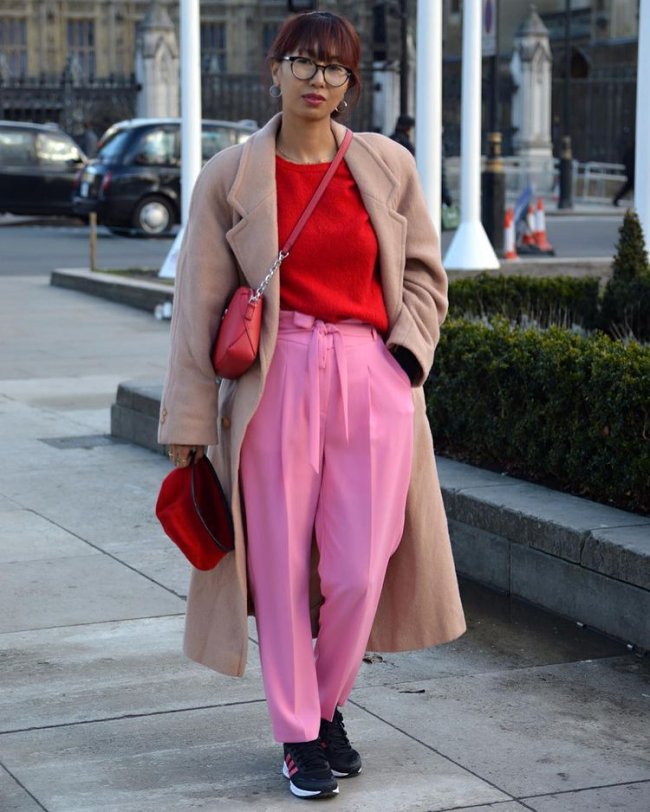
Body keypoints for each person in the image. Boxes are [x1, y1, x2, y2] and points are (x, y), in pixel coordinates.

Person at [159, 10, 465, 802]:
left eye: (333, 69)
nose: (317, 80)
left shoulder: (386, 165)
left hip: (372, 375)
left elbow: (427, 278)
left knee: (362, 566)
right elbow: (197, 307)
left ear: (350, 83)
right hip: (276, 374)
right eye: (302, 62)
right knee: (284, 568)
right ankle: (300, 735)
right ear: (275, 70)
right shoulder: (229, 175)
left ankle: (324, 708)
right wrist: (189, 425)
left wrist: (404, 357)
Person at [612, 139, 635, 207]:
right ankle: (616, 199)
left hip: (629, 172)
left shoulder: (629, 151)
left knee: (627, 188)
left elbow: (624, 160)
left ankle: (616, 199)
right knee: (631, 188)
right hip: (632, 173)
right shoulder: (635, 152)